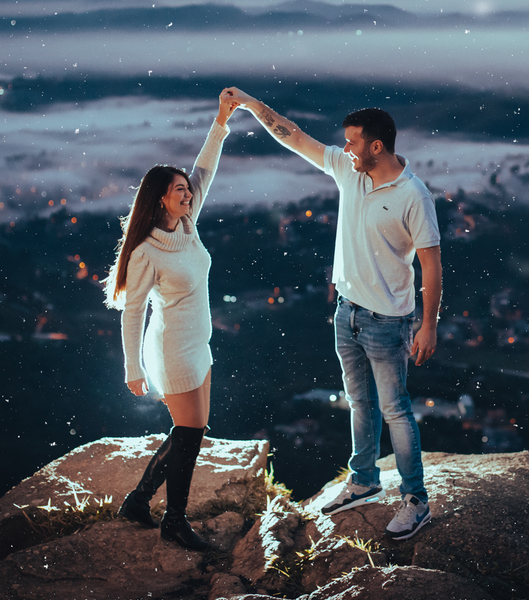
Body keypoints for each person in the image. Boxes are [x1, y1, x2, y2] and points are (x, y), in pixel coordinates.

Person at [222, 86, 441, 541]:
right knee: (359, 403)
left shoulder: (413, 195)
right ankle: (364, 480)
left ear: (376, 146)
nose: (345, 148)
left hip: (388, 321)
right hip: (347, 312)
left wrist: (428, 325)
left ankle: (415, 499)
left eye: (352, 141)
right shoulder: (349, 170)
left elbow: (431, 265)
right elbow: (295, 137)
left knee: (395, 410)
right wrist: (250, 104)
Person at [102, 93, 238, 550]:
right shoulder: (147, 251)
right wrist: (132, 367)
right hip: (172, 348)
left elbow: (205, 170)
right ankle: (174, 521)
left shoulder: (187, 225)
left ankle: (138, 501)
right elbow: (133, 311)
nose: (188, 193)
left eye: (186, 188)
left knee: (189, 432)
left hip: (200, 344)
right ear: (160, 199)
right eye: (179, 189)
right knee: (190, 434)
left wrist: (220, 121)